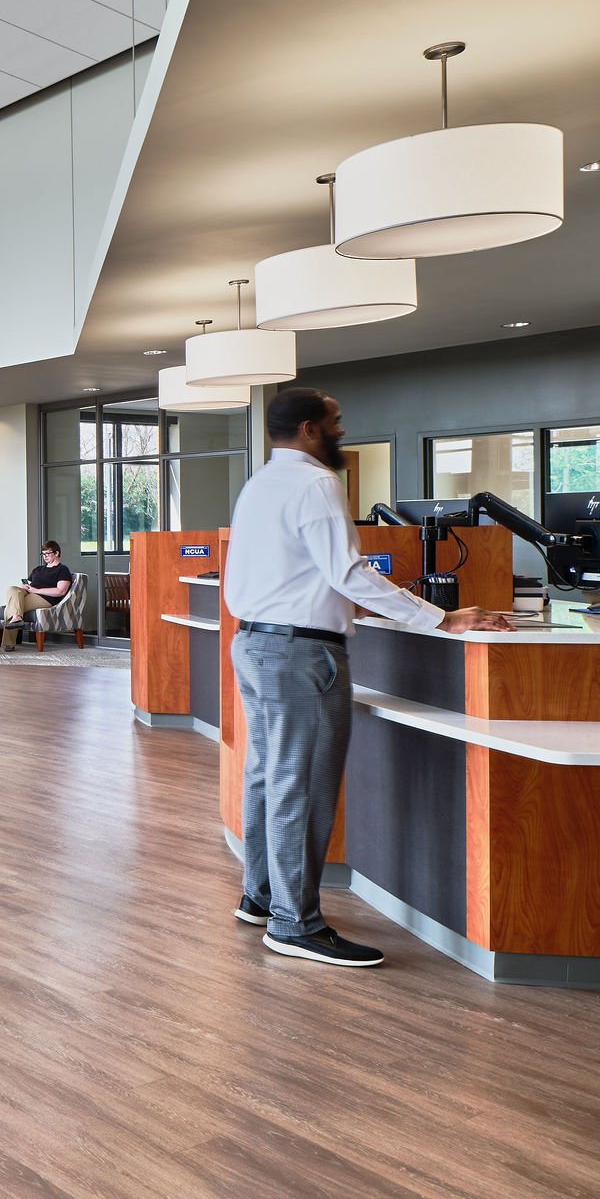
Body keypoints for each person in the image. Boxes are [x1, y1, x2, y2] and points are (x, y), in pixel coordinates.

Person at [226, 387, 511, 967]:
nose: (342, 430)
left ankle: (262, 896)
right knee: (299, 785)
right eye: (335, 422)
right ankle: (293, 924)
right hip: (300, 655)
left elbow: (301, 572)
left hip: (254, 644)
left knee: (267, 777)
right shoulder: (316, 482)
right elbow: (348, 573)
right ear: (309, 429)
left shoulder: (260, 484)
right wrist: (441, 616)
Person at [0, 540, 75, 648]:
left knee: (10, 606)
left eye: (47, 553)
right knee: (12, 589)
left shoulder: (62, 570)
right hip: (30, 592)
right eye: (43, 554)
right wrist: (24, 587)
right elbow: (28, 583)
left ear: (57, 553)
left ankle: (9, 643)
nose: (45, 556)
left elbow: (60, 591)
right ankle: (16, 617)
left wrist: (36, 590)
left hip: (45, 598)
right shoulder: (38, 569)